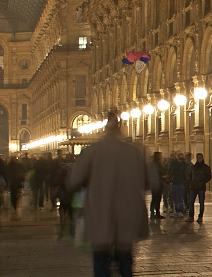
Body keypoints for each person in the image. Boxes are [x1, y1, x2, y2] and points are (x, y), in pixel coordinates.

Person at [67, 110, 161, 277]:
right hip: (127, 216)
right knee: (125, 260)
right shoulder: (134, 152)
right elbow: (150, 182)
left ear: (104, 127)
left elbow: (74, 180)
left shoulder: (92, 151)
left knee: (101, 260)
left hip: (100, 214)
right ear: (120, 127)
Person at [188, 153, 211, 224]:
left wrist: (202, 182)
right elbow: (190, 175)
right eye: (197, 157)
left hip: (201, 187)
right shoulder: (194, 167)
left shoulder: (205, 167)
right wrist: (191, 182)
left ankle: (200, 216)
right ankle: (191, 216)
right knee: (191, 202)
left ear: (202, 158)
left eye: (200, 157)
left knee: (201, 202)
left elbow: (209, 176)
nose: (199, 159)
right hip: (193, 187)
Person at [168, 153, 189, 218]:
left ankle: (178, 211)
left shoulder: (176, 165)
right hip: (181, 183)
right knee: (180, 198)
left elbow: (171, 172)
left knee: (177, 198)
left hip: (176, 183)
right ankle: (179, 211)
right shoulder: (185, 165)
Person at [149, 153, 166, 220]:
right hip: (158, 183)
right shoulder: (158, 165)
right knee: (157, 198)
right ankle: (157, 213)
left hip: (153, 183)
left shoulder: (151, 164)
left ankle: (153, 213)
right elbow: (164, 172)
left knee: (154, 198)